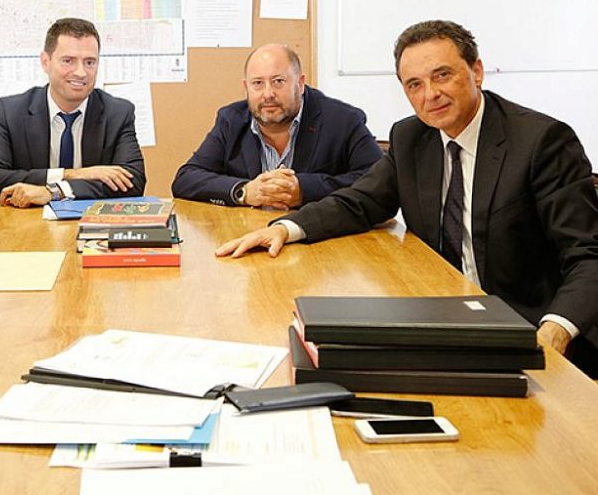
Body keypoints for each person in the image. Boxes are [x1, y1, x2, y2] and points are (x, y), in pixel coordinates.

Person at [216, 20, 598, 375]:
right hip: (444, 317)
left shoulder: (541, 142)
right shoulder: (412, 137)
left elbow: (588, 256)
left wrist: (555, 331)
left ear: (476, 71)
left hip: (530, 329)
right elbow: (360, 201)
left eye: (442, 75)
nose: (430, 94)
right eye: (414, 84)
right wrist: (287, 227)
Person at [171, 44, 382, 208]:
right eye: (258, 83)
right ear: (246, 88)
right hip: (250, 238)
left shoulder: (343, 120)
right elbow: (186, 179)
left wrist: (304, 190)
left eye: (278, 81)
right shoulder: (231, 120)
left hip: (320, 241)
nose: (268, 93)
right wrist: (243, 191)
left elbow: (379, 182)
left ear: (300, 84)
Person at [0, 17, 146, 207]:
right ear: (45, 62)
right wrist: (72, 174)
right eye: (68, 61)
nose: (81, 72)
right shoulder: (10, 112)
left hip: (92, 228)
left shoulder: (117, 113)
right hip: (26, 227)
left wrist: (55, 191)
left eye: (90, 62)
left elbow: (133, 182)